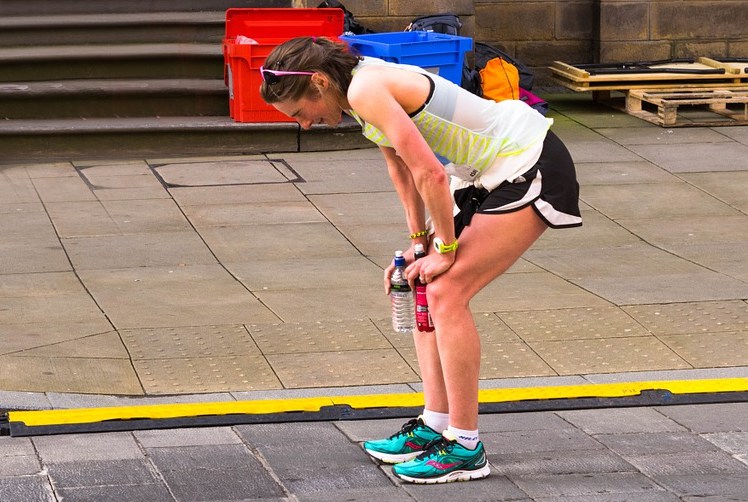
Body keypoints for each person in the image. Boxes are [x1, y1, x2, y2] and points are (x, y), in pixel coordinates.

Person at [260, 36, 582, 484]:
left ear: (318, 82)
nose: (306, 125)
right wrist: (419, 245)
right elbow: (400, 169)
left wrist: (445, 250)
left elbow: (429, 171)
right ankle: (435, 424)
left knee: (448, 291)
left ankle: (466, 446)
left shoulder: (364, 89)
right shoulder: (356, 91)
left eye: (299, 113)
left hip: (527, 161)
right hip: (487, 173)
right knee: (420, 281)